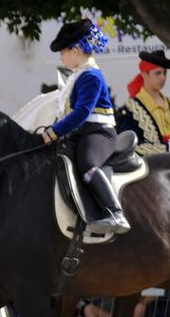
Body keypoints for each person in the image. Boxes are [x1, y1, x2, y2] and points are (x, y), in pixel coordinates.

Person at [43, 18, 129, 235]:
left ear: (75, 50)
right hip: (81, 132)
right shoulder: (77, 75)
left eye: (62, 52)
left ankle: (114, 211)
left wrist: (54, 132)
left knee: (88, 162)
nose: (61, 57)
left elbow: (82, 112)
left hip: (99, 132)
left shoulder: (91, 75)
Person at [116, 48, 170, 156]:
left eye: (165, 73)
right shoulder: (129, 109)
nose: (163, 78)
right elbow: (128, 145)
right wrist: (166, 148)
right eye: (157, 73)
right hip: (150, 166)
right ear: (144, 74)